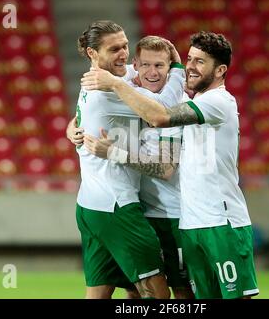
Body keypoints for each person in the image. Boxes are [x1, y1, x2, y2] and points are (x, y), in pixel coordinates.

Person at [82, 31, 259, 299]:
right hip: (155, 214)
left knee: (186, 293)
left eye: (161, 65)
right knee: (138, 291)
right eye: (189, 60)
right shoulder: (134, 100)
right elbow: (106, 90)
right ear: (136, 66)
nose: (191, 67)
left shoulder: (192, 104)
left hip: (185, 217)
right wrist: (74, 128)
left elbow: (164, 159)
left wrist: (115, 153)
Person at [69, 35, 194, 299]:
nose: (123, 54)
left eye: (125, 46)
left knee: (115, 293)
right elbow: (161, 111)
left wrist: (72, 129)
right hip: (118, 206)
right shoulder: (113, 89)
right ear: (93, 53)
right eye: (114, 49)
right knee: (158, 297)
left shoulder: (108, 81)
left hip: (100, 206)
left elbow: (166, 166)